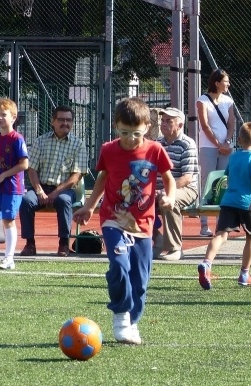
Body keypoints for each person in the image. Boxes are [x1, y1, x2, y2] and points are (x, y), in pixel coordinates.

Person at [73, 97, 175, 344]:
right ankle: (120, 314)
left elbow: (168, 178)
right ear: (116, 127)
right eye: (124, 132)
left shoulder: (155, 150)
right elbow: (101, 179)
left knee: (140, 279)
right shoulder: (108, 149)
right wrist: (89, 207)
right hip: (113, 219)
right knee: (119, 265)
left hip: (144, 225)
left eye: (136, 134)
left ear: (147, 128)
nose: (130, 139)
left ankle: (133, 321)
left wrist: (170, 198)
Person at [197, 122, 251, 289]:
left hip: (228, 201)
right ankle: (244, 273)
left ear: (240, 140)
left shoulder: (234, 157)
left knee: (220, 235)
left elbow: (227, 179)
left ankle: (207, 263)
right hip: (246, 202)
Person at [19, 105, 88, 257]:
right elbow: (32, 169)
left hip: (65, 190)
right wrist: (39, 191)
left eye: (69, 120)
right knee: (25, 201)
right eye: (61, 119)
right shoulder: (40, 141)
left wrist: (56, 193)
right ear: (53, 121)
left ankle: (63, 244)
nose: (65, 123)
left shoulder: (78, 145)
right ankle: (30, 244)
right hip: (41, 187)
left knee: (64, 201)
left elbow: (76, 176)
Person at [0, 98, 29, 270]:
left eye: (4, 115)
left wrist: (3, 176)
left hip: (12, 188)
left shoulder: (17, 139)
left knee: (8, 220)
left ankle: (9, 259)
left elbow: (24, 164)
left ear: (13, 117)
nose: (0, 118)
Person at [152, 107, 199, 261]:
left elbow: (186, 178)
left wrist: (163, 191)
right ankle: (157, 239)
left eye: (168, 121)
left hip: (186, 188)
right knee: (135, 198)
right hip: (159, 189)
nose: (163, 124)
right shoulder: (157, 143)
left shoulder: (187, 144)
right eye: (162, 120)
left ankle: (175, 249)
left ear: (179, 125)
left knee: (168, 199)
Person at [196, 69, 235, 236]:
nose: (228, 84)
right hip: (208, 147)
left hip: (226, 147)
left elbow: (232, 123)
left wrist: (226, 142)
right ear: (217, 82)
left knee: (223, 182)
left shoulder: (228, 101)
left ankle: (221, 223)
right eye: (225, 81)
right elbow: (204, 126)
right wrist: (218, 144)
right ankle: (204, 224)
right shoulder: (202, 100)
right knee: (208, 182)